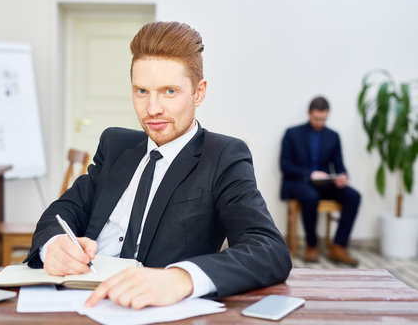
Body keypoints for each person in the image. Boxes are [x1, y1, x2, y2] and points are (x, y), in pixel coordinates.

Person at [25, 21, 291, 309]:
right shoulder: (116, 145)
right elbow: (64, 210)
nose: (152, 109)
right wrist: (54, 245)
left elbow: (269, 250)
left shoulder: (223, 156)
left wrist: (180, 278)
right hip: (76, 298)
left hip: (150, 310)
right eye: (141, 91)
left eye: (169, 92)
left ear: (198, 92)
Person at [280, 96, 361, 266]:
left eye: (323, 119)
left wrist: (342, 176)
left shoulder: (333, 136)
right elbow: (285, 165)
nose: (319, 122)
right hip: (298, 182)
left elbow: (339, 165)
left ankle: (338, 246)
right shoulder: (292, 133)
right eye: (316, 118)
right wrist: (310, 174)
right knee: (310, 196)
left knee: (353, 196)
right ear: (309, 113)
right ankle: (312, 245)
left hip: (323, 183)